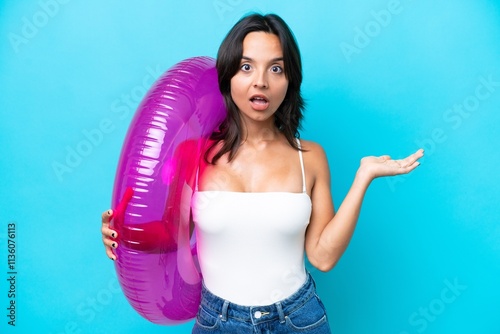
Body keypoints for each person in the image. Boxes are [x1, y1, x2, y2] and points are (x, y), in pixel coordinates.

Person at [101, 13, 424, 333]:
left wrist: (362, 178)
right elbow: (173, 238)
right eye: (246, 66)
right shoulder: (194, 156)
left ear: (289, 81)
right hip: (218, 321)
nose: (261, 81)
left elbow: (322, 257)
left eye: (276, 68)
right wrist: (123, 236)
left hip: (297, 320)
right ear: (228, 77)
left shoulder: (309, 157)